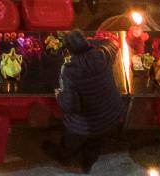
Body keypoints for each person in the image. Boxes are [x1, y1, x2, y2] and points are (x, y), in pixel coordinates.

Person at [46, 31, 124, 171]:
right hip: (110, 116)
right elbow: (112, 43)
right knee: (95, 144)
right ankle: (87, 165)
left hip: (84, 124)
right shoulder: (103, 55)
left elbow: (70, 105)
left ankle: (63, 157)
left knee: (70, 142)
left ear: (69, 50)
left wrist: (59, 95)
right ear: (88, 43)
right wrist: (90, 42)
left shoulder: (70, 71)